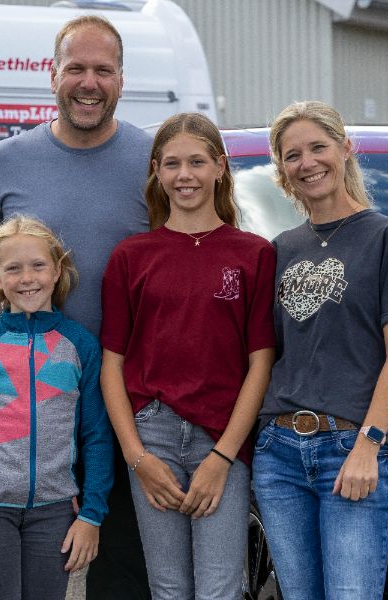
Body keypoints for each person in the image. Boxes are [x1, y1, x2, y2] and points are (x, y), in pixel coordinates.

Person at [0, 15, 152, 599]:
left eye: (103, 70)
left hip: (125, 395)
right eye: (76, 68)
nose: (89, 82)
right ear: (52, 73)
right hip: (30, 404)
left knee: (121, 562)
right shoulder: (8, 161)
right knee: (29, 562)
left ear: (120, 78)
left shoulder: (152, 159)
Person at [252, 101, 388, 600]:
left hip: (350, 450)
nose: (307, 163)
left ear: (344, 149)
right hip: (278, 453)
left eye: (318, 147)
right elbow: (268, 354)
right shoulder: (279, 249)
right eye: (292, 155)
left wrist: (369, 444)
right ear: (282, 169)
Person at [99, 112, 276, 600]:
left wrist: (223, 457)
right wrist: (137, 458)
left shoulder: (254, 254)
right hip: (151, 436)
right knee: (169, 588)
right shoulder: (132, 256)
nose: (185, 175)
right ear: (157, 171)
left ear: (220, 167)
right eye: (172, 164)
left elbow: (260, 362)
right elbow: (111, 365)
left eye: (197, 162)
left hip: (223, 438)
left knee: (220, 588)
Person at [0, 216, 114, 600]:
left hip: (55, 511)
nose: (27, 277)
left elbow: (96, 436)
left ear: (57, 271)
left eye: (38, 265)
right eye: (13, 268)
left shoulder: (80, 345)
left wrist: (90, 515)